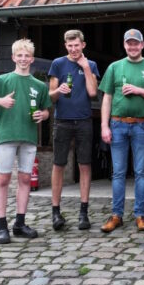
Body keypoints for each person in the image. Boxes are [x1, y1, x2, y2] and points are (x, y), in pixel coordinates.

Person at [0, 38, 51, 244]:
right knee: (3, 179)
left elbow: (46, 109)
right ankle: (2, 225)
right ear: (13, 58)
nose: (23, 59)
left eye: (27, 56)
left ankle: (20, 223)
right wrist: (0, 101)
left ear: (32, 59)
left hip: (28, 137)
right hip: (7, 136)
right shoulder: (3, 81)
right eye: (20, 55)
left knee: (25, 179)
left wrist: (43, 116)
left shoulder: (39, 85)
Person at [98, 29, 144, 233]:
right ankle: (116, 215)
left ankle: (140, 215)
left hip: (142, 125)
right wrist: (104, 125)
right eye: (129, 43)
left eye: (136, 43)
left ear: (142, 45)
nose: (133, 47)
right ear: (125, 45)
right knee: (118, 172)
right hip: (117, 124)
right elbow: (107, 97)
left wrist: (139, 90)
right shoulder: (115, 67)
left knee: (141, 171)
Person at [47, 29, 99, 231]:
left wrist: (86, 68)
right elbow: (50, 97)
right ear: (65, 46)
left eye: (76, 45)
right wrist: (58, 90)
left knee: (84, 165)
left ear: (83, 45)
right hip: (62, 121)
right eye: (69, 46)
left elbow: (93, 92)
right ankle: (56, 212)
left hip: (84, 120)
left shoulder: (91, 64)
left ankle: (83, 213)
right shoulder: (58, 64)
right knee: (58, 164)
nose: (73, 49)